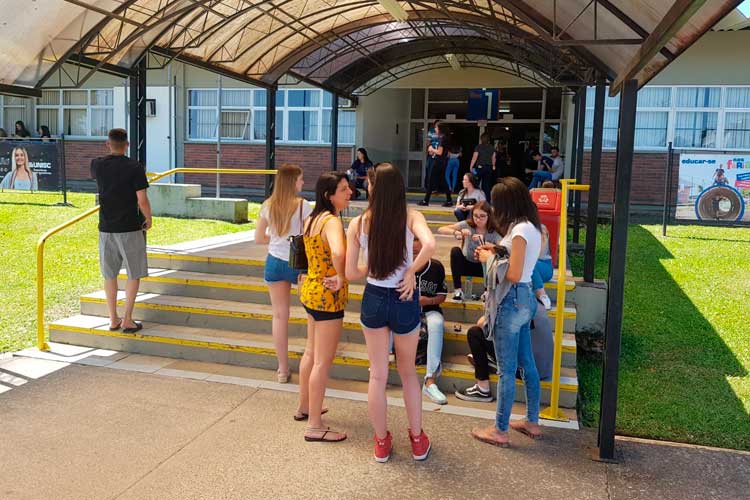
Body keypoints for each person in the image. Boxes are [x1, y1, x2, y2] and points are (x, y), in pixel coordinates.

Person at [346, 163, 436, 463]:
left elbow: (350, 272)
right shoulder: (411, 216)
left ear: (374, 187)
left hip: (374, 296)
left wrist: (370, 267)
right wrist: (411, 271)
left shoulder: (359, 223)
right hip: (404, 296)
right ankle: (418, 441)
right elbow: (430, 244)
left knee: (377, 375)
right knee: (408, 372)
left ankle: (382, 443)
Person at [472, 177, 543, 448]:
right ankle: (532, 421)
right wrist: (498, 249)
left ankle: (500, 430)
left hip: (511, 300)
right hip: (525, 300)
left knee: (506, 370)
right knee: (527, 364)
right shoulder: (531, 227)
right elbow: (518, 262)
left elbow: (512, 273)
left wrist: (488, 258)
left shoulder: (520, 230)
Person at [296, 172, 351, 443]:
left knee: (310, 352)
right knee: (322, 361)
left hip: (311, 290)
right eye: (343, 190)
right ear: (329, 196)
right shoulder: (331, 221)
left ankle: (305, 406)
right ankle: (315, 425)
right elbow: (339, 252)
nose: (349, 193)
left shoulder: (311, 219)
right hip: (328, 295)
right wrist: (341, 276)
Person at [90, 128, 151, 335]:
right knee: (134, 273)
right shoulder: (135, 167)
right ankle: (128, 319)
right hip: (130, 227)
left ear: (108, 144)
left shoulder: (97, 164)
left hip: (106, 227)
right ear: (127, 145)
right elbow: (142, 200)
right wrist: (149, 218)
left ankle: (112, 319)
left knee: (109, 275)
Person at [254, 164, 311, 383]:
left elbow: (259, 238)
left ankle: (283, 369)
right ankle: (311, 363)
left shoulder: (268, 205)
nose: (303, 182)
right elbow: (309, 236)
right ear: (292, 182)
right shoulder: (303, 206)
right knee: (312, 315)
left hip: (274, 263)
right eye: (300, 179)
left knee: (279, 316)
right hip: (298, 264)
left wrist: (278, 238)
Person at [456, 308, 554, 403]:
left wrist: (491, 309)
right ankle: (494, 363)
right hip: (545, 369)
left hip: (525, 371)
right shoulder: (535, 303)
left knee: (475, 333)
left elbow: (482, 323)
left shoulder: (511, 304)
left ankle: (483, 389)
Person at [437, 201, 500, 302]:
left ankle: (487, 291)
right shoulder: (467, 224)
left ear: (489, 216)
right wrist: (457, 232)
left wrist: (484, 242)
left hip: (483, 268)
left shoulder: (494, 231)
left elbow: (502, 248)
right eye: (475, 216)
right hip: (467, 263)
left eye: (482, 216)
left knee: (490, 256)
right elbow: (441, 229)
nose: (478, 219)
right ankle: (458, 290)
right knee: (455, 251)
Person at [413, 239, 448, 405]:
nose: (415, 254)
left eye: (418, 251)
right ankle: (379, 370)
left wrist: (428, 301)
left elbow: (442, 296)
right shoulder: (399, 266)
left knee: (436, 324)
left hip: (430, 310)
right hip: (405, 311)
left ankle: (430, 380)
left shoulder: (436, 267)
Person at [419, 123, 452, 207]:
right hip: (442, 162)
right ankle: (449, 200)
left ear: (440, 129)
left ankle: (426, 200)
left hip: (438, 162)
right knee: (443, 181)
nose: (435, 129)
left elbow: (440, 152)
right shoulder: (444, 138)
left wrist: (431, 149)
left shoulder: (442, 139)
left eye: (436, 128)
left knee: (431, 180)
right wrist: (433, 151)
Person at [532, 225, 553, 310]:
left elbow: (539, 253)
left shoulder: (541, 228)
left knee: (531, 264)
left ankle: (542, 295)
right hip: (529, 269)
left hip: (544, 266)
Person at [470, 133, 496, 200]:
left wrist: (471, 166)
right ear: (488, 140)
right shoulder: (492, 147)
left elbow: (474, 157)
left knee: (476, 183)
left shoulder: (478, 147)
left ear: (481, 139)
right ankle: (487, 201)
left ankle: (474, 199)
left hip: (479, 167)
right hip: (489, 167)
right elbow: (493, 158)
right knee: (486, 185)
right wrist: (493, 166)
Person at [423, 120, 441, 196]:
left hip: (439, 155)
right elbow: (428, 141)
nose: (437, 126)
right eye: (437, 125)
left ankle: (436, 189)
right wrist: (429, 149)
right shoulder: (431, 131)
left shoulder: (442, 133)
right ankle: (428, 188)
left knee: (437, 173)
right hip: (431, 155)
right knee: (429, 171)